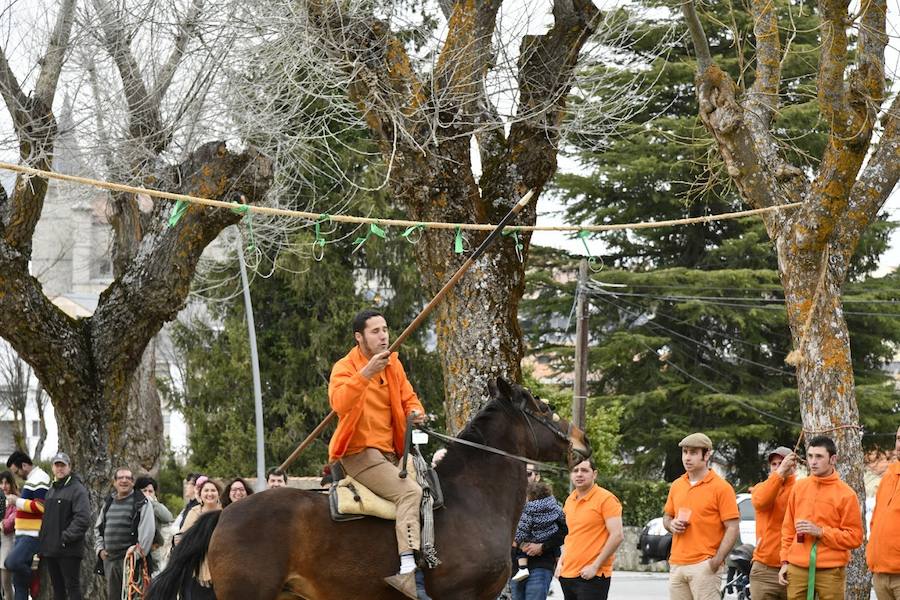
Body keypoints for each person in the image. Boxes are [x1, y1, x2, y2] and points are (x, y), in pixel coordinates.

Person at [328, 308, 426, 599]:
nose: (384, 336)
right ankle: (408, 569)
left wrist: (415, 412)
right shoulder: (343, 367)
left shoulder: (394, 364)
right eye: (375, 331)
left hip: (393, 452)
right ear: (359, 337)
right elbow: (340, 404)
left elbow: (409, 398)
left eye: (385, 329)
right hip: (359, 454)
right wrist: (366, 373)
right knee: (410, 493)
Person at [778, 436, 863, 600]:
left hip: (830, 570)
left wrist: (821, 532)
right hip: (797, 567)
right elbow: (788, 530)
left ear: (833, 459)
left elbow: (855, 538)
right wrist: (784, 562)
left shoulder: (847, 494)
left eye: (819, 456)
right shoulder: (799, 487)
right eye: (810, 456)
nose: (813, 462)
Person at [663, 433, 740, 600]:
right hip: (677, 563)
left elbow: (732, 527)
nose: (687, 458)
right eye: (685, 452)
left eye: (693, 452)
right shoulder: (677, 485)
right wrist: (671, 524)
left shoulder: (722, 488)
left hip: (704, 565)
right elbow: (666, 517)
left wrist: (716, 561)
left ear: (707, 455)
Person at [555, 458, 623, 600]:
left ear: (594, 474)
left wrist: (595, 566)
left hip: (593, 576)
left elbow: (617, 536)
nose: (579, 474)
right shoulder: (570, 500)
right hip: (567, 575)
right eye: (575, 470)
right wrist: (561, 562)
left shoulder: (606, 499)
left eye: (584, 470)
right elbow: (570, 535)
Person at [94, 467, 155, 600]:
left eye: (128, 478)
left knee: (133, 597)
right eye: (120, 478)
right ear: (114, 482)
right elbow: (98, 528)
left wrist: (136, 555)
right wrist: (100, 550)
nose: (124, 480)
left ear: (133, 482)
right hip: (110, 561)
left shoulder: (142, 502)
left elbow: (148, 533)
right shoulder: (108, 502)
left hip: (132, 563)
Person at [38, 452, 91, 600]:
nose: (60, 468)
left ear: (69, 468)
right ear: (52, 468)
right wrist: (44, 542)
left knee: (72, 589)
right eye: (57, 465)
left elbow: (83, 519)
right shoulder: (51, 490)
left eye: (63, 465)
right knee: (57, 591)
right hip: (51, 550)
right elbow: (47, 520)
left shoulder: (78, 489)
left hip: (68, 550)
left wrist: (64, 538)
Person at [749, 446, 798, 600]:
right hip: (764, 569)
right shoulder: (761, 488)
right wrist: (779, 475)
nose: (778, 467)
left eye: (782, 462)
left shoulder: (800, 488)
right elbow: (761, 502)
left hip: (794, 568)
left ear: (794, 465)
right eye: (774, 464)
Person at [4, 450, 50, 600]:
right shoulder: (32, 479)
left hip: (32, 536)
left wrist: (15, 501)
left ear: (24, 465)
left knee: (11, 562)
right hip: (22, 535)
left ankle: (33, 576)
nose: (16, 475)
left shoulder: (40, 477)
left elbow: (41, 506)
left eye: (16, 471)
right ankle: (29, 578)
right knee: (19, 585)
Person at [868, 425, 900, 600]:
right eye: (899, 439)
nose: (899, 445)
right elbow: (875, 521)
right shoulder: (888, 476)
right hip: (880, 574)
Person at [176, 478, 222, 600]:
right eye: (206, 490)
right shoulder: (194, 512)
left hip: (220, 563)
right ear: (200, 494)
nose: (210, 493)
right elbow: (183, 537)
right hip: (196, 566)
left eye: (213, 490)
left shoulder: (225, 513)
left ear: (218, 494)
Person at [512, 480, 564, 584]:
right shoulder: (554, 505)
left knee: (522, 546)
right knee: (556, 548)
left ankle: (523, 568)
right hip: (549, 536)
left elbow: (523, 528)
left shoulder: (529, 509)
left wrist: (516, 541)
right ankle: (560, 564)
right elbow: (563, 520)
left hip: (533, 541)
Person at [135, 475, 174, 574]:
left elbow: (168, 518)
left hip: (154, 550)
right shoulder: (133, 505)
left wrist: (152, 503)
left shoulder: (156, 506)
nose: (147, 494)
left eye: (150, 491)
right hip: (135, 550)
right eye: (144, 491)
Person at [1, 471, 18, 600]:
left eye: (6, 482)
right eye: (1, 483)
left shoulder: (15, 500)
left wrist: (2, 524)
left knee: (6, 582)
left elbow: (10, 523)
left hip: (7, 542)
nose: (3, 486)